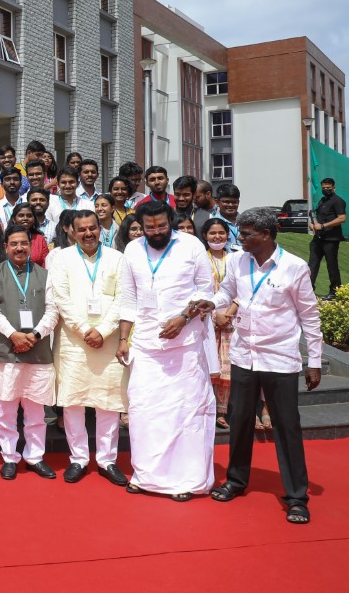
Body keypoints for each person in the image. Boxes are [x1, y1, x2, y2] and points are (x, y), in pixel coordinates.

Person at [209, 207, 324, 524]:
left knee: (287, 426)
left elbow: (309, 316)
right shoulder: (237, 260)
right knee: (240, 420)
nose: (240, 238)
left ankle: (297, 496)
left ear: (266, 235)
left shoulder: (294, 267)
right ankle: (235, 480)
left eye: (246, 234)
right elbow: (227, 292)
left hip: (280, 357)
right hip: (244, 354)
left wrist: (314, 361)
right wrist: (212, 303)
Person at [117, 201, 218, 501]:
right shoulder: (133, 250)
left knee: (184, 411)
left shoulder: (190, 246)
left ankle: (187, 480)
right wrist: (123, 339)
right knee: (144, 410)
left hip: (184, 343)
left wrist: (184, 318)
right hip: (146, 343)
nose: (156, 231)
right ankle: (146, 475)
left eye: (162, 225)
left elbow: (205, 290)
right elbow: (128, 298)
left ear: (170, 221)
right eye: (150, 227)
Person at [47, 210, 128, 486]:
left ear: (100, 229)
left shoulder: (117, 259)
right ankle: (78, 458)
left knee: (108, 403)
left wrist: (103, 331)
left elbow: (123, 299)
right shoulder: (61, 259)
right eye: (82, 230)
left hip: (109, 340)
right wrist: (84, 331)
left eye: (92, 228)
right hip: (73, 341)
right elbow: (60, 298)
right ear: (72, 231)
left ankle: (107, 460)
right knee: (73, 402)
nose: (88, 234)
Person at [0, 224, 59, 480]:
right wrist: (14, 335)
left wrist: (35, 335)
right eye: (13, 244)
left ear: (31, 245)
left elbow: (53, 310)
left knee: (36, 410)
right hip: (7, 351)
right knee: (5, 410)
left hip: (37, 352)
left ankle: (35, 456)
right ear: (5, 247)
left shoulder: (44, 275)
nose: (19, 248)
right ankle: (10, 457)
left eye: (24, 243)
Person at [201, 218, 237, 429]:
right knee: (206, 365)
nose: (217, 237)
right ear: (205, 236)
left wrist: (228, 315)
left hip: (230, 319)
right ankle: (207, 408)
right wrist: (214, 314)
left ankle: (222, 411)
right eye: (212, 233)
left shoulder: (234, 260)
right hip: (205, 318)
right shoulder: (200, 260)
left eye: (221, 233)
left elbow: (240, 289)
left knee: (226, 367)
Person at [308, 177, 347, 299]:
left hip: (331, 239)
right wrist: (313, 225)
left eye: (328, 188)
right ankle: (308, 290)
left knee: (332, 265)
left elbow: (342, 218)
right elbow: (318, 218)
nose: (326, 190)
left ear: (334, 188)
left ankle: (335, 292)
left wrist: (323, 226)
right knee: (312, 264)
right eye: (324, 188)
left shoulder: (338, 201)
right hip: (318, 238)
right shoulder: (322, 201)